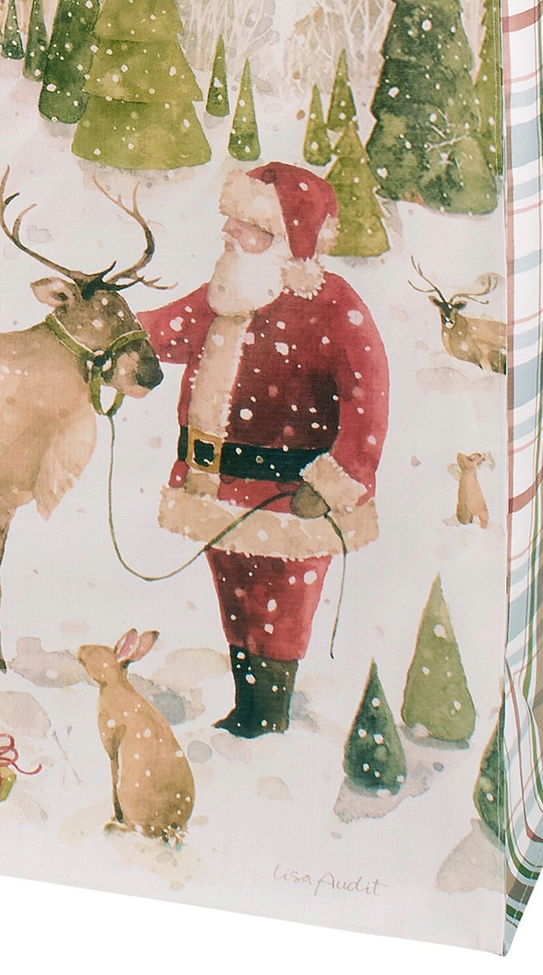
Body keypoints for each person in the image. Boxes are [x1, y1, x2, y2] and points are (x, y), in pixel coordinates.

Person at [136, 162, 389, 739]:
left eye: (243, 224)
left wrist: (337, 480)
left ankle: (268, 717)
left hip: (290, 495)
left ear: (285, 238)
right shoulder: (227, 291)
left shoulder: (333, 305)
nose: (226, 230)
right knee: (236, 599)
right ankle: (247, 706)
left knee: (280, 610)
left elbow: (367, 397)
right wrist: (101, 323)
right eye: (230, 220)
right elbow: (164, 330)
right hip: (216, 485)